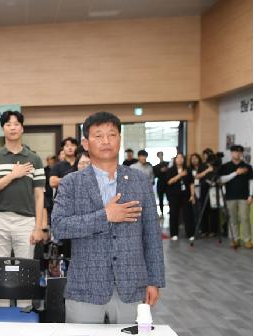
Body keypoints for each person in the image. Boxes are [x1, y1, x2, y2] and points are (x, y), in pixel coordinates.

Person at [52, 111, 164, 324]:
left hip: (132, 285)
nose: (106, 141)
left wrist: (154, 280)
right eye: (98, 135)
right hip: (85, 287)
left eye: (112, 135)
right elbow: (59, 227)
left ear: (120, 139)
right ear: (85, 143)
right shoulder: (71, 183)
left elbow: (151, 234)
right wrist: (106, 215)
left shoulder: (139, 180)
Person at [0, 110, 45, 260]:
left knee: (25, 266)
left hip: (26, 221)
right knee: (0, 265)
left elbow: (39, 196)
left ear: (22, 128)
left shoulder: (34, 159)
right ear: (3, 129)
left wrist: (38, 227)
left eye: (17, 124)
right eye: (8, 124)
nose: (13, 127)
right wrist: (12, 175)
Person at [219, 144, 253, 248]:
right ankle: (235, 239)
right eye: (235, 152)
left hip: (244, 196)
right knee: (232, 219)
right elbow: (221, 180)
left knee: (244, 218)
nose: (237, 154)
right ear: (231, 153)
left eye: (239, 152)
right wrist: (235, 173)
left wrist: (251, 195)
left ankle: (247, 240)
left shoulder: (247, 167)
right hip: (230, 196)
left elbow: (251, 182)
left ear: (242, 154)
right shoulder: (225, 166)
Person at [165, 153, 195, 241]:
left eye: (182, 158)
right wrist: (179, 175)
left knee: (188, 214)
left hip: (186, 195)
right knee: (174, 214)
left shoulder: (188, 170)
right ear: (175, 160)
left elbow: (191, 183)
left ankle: (190, 234)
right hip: (174, 195)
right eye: (178, 158)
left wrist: (192, 195)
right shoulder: (170, 170)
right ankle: (174, 234)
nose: (180, 159)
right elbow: (169, 182)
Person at [153, 151, 169, 217]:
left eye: (161, 155)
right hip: (160, 184)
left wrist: (166, 169)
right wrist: (160, 171)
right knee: (160, 199)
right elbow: (155, 175)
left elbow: (171, 171)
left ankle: (170, 211)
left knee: (169, 198)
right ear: (157, 156)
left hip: (168, 183)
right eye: (159, 155)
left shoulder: (168, 163)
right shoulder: (156, 166)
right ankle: (162, 212)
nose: (160, 156)